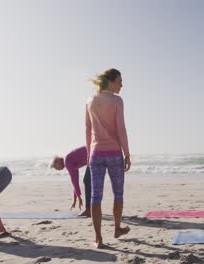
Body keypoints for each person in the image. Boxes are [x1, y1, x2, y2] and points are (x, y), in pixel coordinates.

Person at [86, 68, 131, 248]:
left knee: (95, 196)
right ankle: (117, 228)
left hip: (96, 154)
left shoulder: (89, 101)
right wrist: (127, 153)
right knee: (118, 193)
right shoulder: (117, 100)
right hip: (113, 153)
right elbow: (121, 128)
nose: (121, 85)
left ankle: (98, 239)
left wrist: (89, 154)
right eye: (119, 81)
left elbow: (87, 130)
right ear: (111, 81)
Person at [51, 146, 91, 217]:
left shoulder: (67, 161)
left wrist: (79, 197)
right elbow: (75, 179)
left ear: (58, 161)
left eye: (56, 167)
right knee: (87, 181)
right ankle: (91, 208)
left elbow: (74, 180)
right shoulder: (69, 160)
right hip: (91, 156)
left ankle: (89, 209)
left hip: (92, 154)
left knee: (87, 181)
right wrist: (75, 199)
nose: (57, 169)